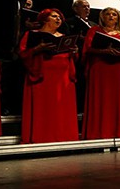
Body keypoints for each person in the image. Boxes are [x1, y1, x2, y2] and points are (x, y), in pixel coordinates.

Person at [18, 8, 79, 144]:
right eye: (54, 16)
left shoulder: (64, 37)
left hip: (63, 78)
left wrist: (75, 51)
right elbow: (22, 54)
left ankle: (64, 136)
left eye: (60, 17)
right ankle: (42, 137)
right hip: (42, 76)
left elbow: (73, 58)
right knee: (44, 108)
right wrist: (37, 49)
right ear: (45, 19)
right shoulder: (31, 35)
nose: (58, 19)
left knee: (61, 108)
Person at [82, 7, 120, 140]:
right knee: (101, 98)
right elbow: (87, 49)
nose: (111, 17)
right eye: (108, 14)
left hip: (119, 69)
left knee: (119, 100)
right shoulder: (94, 31)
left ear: (118, 18)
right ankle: (99, 132)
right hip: (100, 68)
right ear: (102, 17)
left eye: (114, 15)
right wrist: (104, 51)